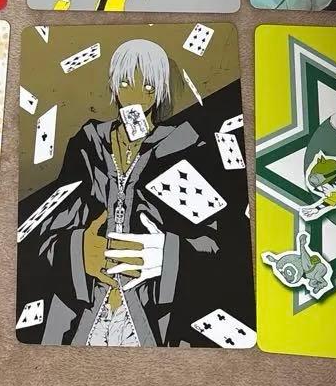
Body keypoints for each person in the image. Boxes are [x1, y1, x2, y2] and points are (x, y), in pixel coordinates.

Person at [25, 40, 236, 347]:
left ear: (160, 90)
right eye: (125, 84)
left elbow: (216, 247)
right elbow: (44, 233)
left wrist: (170, 255)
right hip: (80, 315)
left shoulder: (186, 147)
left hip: (154, 318)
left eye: (147, 87)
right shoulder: (87, 145)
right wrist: (77, 252)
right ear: (113, 85)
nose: (135, 96)